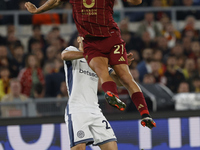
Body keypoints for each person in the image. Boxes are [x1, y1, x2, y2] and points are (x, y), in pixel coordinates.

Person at [25, 0, 156, 129]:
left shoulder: (84, 52)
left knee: (110, 73)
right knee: (120, 76)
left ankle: (122, 100)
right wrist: (37, 11)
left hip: (104, 40)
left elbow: (136, 2)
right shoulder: (72, 50)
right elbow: (64, 55)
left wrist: (38, 10)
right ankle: (135, 108)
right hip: (98, 41)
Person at [61, 36, 133, 150]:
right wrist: (88, 55)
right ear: (79, 39)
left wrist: (122, 66)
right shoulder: (72, 51)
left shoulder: (98, 62)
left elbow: (119, 82)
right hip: (77, 109)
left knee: (112, 147)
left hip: (95, 110)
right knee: (79, 147)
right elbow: (64, 56)